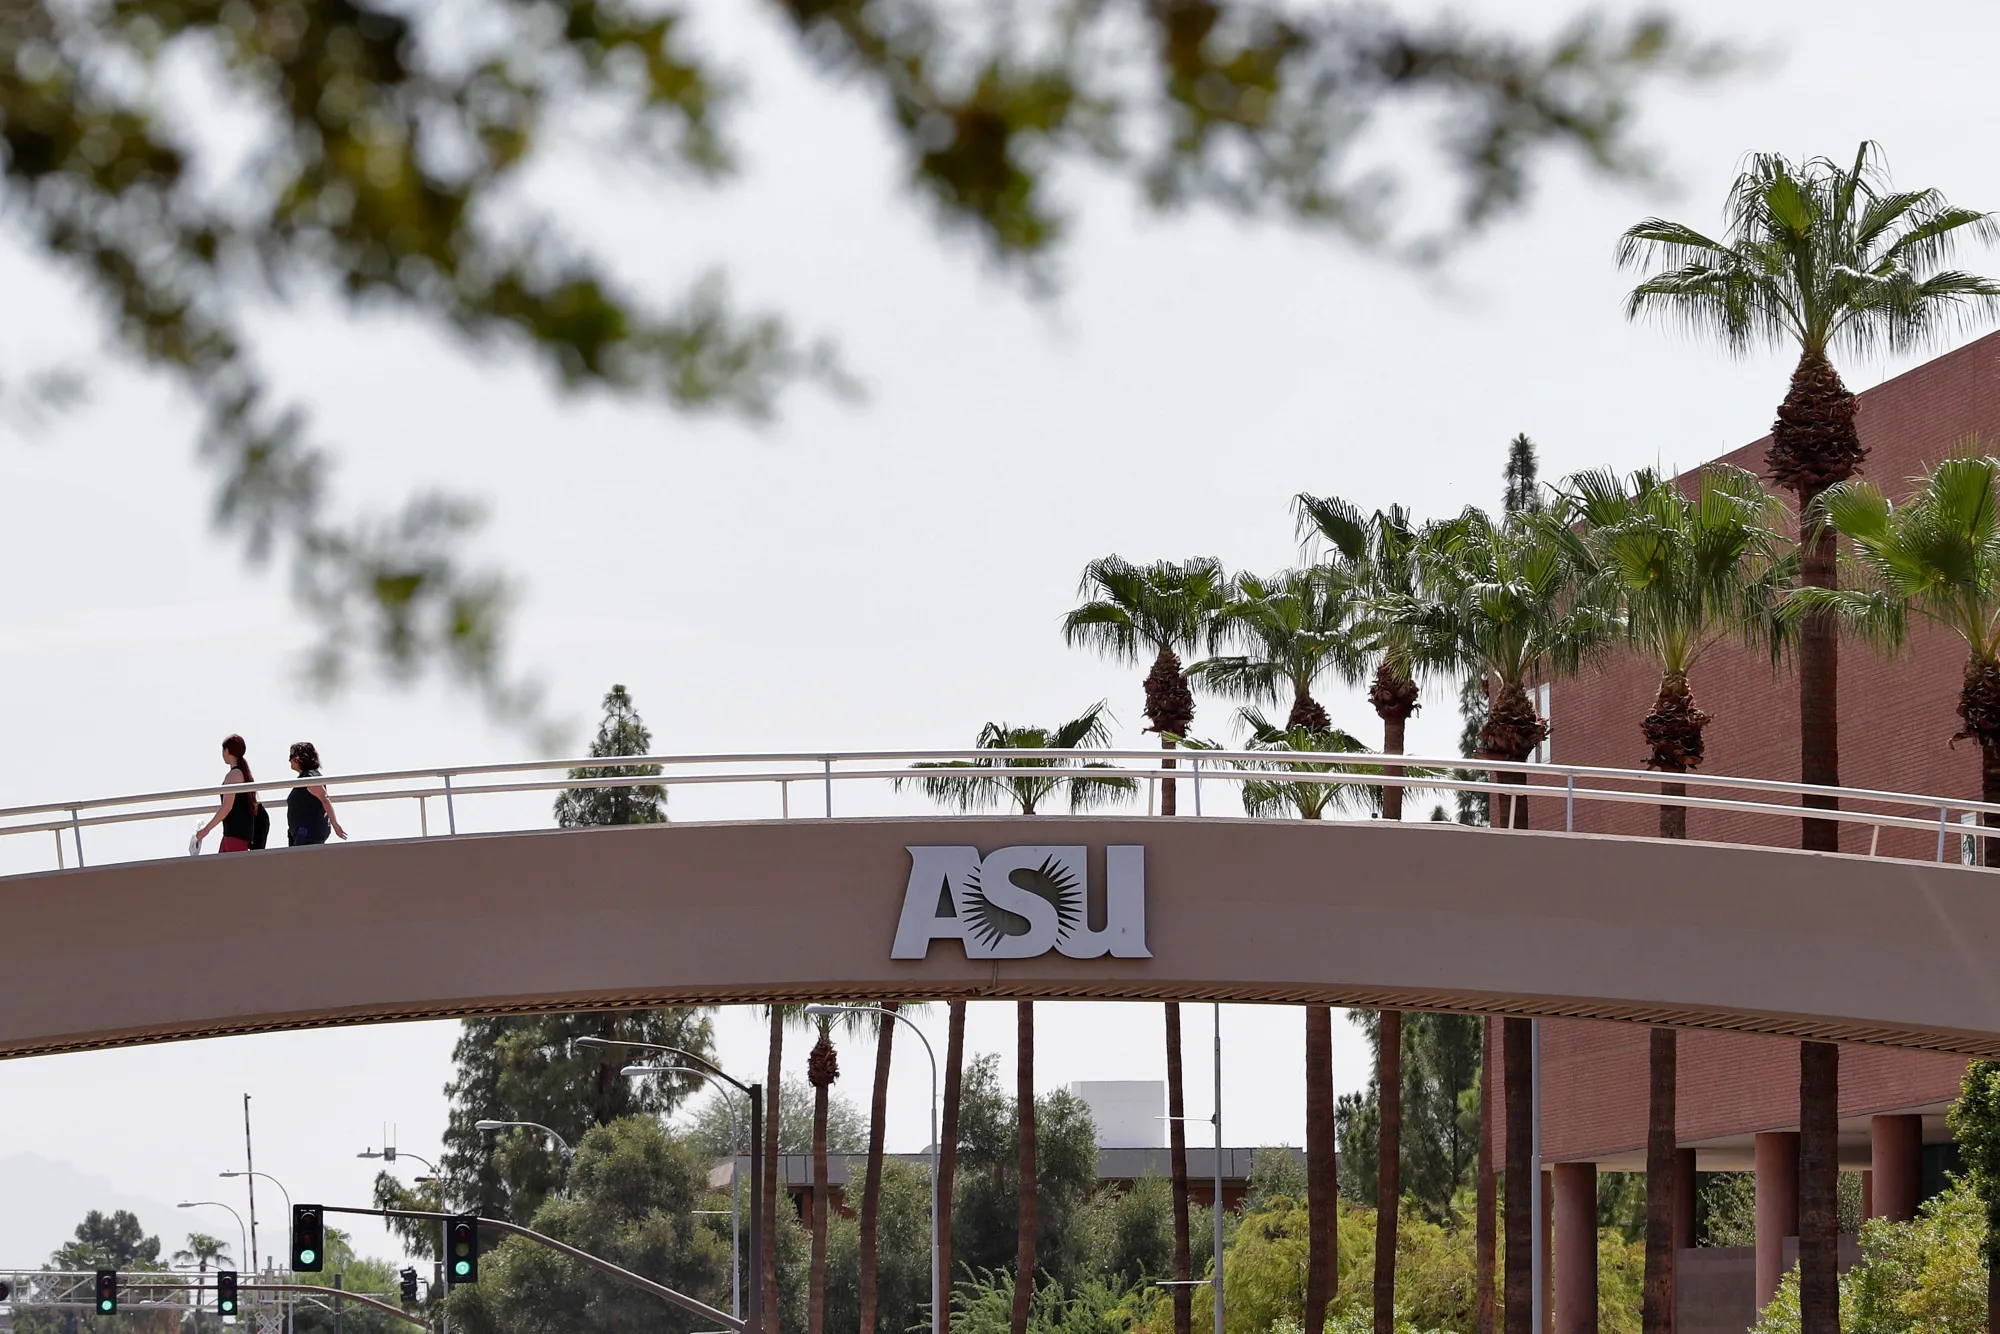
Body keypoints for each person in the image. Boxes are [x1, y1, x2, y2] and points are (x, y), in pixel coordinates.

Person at [194, 735, 259, 853]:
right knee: (222, 869)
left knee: (231, 869)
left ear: (227, 751)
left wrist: (206, 830)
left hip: (235, 834)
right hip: (233, 833)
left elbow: (226, 807)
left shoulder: (234, 775)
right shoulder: (242, 773)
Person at [285, 742, 348, 846]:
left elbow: (324, 798)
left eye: (291, 757)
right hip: (302, 833)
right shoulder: (305, 778)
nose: (289, 760)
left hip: (307, 835)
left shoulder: (310, 777)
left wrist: (335, 824)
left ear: (298, 759)